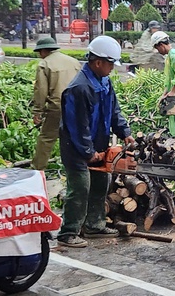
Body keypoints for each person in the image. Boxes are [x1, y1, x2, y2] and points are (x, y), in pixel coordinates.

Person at [57, 36, 136, 248]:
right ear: (98, 62)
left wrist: (124, 132)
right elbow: (77, 125)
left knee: (101, 184)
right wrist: (87, 151)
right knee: (80, 188)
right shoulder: (79, 88)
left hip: (99, 143)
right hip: (76, 147)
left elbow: (114, 111)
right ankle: (68, 232)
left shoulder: (104, 82)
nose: (112, 68)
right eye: (110, 64)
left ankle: (94, 225)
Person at [31, 37, 81, 171]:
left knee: (46, 139)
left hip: (57, 107)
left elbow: (41, 91)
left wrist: (38, 112)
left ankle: (38, 170)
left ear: (43, 51)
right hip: (76, 106)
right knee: (75, 138)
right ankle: (77, 169)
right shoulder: (74, 62)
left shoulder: (44, 64)